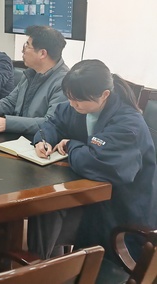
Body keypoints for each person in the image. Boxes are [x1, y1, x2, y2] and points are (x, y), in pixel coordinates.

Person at [28, 59, 157, 261]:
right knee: (45, 209)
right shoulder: (80, 107)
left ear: (104, 95)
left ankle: (52, 266)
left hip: (119, 210)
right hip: (91, 198)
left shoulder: (128, 124)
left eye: (78, 100)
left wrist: (71, 145)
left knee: (50, 212)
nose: (73, 104)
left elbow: (99, 163)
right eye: (70, 97)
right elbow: (53, 122)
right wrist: (43, 140)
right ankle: (46, 265)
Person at [0, 25, 68, 136]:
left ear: (42, 53)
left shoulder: (64, 83)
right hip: (19, 135)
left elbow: (50, 123)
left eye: (27, 45)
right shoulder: (31, 73)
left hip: (39, 141)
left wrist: (7, 123)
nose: (22, 50)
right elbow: (11, 102)